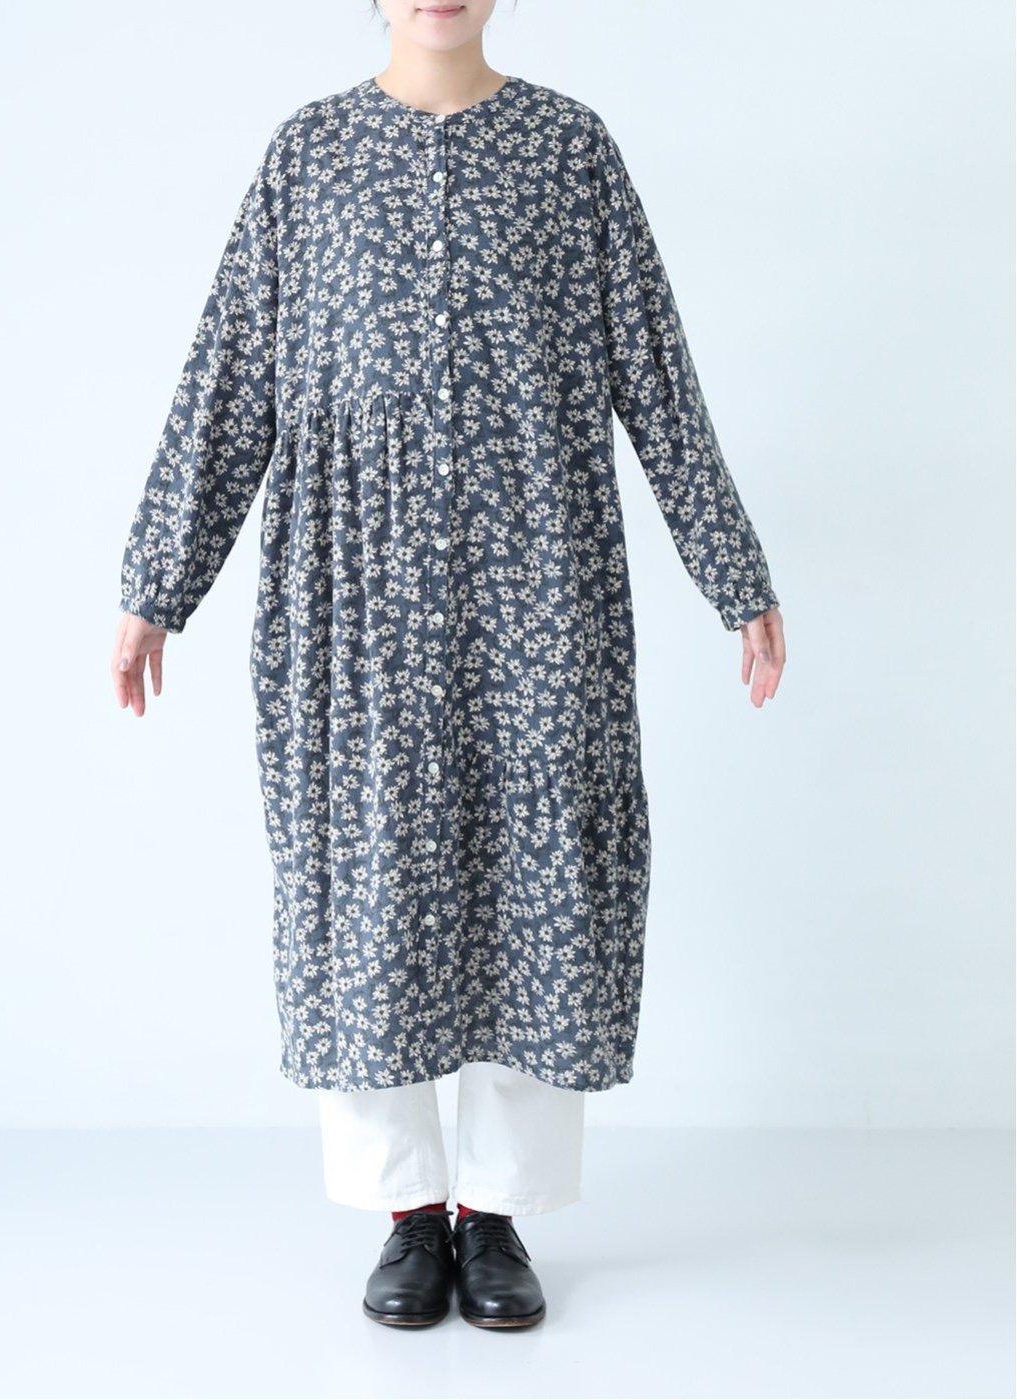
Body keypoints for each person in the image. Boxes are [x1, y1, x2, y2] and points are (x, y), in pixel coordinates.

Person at [110, 0, 786, 1330]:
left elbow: (654, 369)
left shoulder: (570, 151)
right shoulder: (308, 157)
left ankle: (500, 1210)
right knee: (372, 877)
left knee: (542, 872)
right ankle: (406, 1213)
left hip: (540, 585)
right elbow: (230, 378)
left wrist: (734, 572)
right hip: (358, 598)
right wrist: (156, 587)